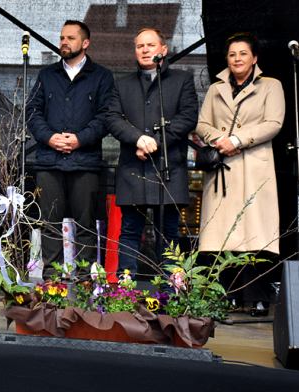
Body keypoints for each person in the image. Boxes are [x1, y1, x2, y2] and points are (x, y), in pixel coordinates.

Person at [195, 32, 284, 315]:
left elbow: (274, 123)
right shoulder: (214, 89)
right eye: (232, 54)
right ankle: (227, 297)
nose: (237, 59)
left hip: (254, 168)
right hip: (222, 169)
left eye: (243, 53)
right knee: (222, 238)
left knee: (254, 235)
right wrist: (218, 141)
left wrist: (237, 140)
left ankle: (257, 299)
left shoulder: (271, 86)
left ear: (255, 58)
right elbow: (202, 124)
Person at [106, 28, 198, 276]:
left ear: (164, 50)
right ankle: (124, 294)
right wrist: (138, 140)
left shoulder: (182, 79)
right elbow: (112, 119)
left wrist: (154, 142)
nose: (145, 50)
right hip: (133, 169)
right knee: (129, 231)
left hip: (169, 168)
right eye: (139, 46)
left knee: (168, 233)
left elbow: (187, 117)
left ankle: (171, 294)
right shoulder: (122, 84)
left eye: (150, 45)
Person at [26, 20, 114, 277]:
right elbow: (32, 111)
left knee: (85, 223)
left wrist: (79, 140)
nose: (64, 42)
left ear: (85, 43)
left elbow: (106, 116)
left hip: (85, 160)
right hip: (49, 160)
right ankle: (51, 279)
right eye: (62, 37)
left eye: (71, 38)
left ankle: (85, 278)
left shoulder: (102, 76)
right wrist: (50, 137)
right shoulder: (46, 75)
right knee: (49, 222)